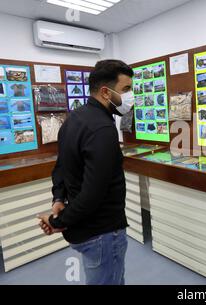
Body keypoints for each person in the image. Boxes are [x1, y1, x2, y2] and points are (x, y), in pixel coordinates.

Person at [38, 60, 135, 285]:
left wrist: (58, 198)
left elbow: (60, 167)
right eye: (126, 90)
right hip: (103, 233)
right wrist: (56, 221)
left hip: (86, 230)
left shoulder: (74, 118)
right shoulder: (102, 128)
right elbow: (94, 193)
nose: (130, 97)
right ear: (105, 92)